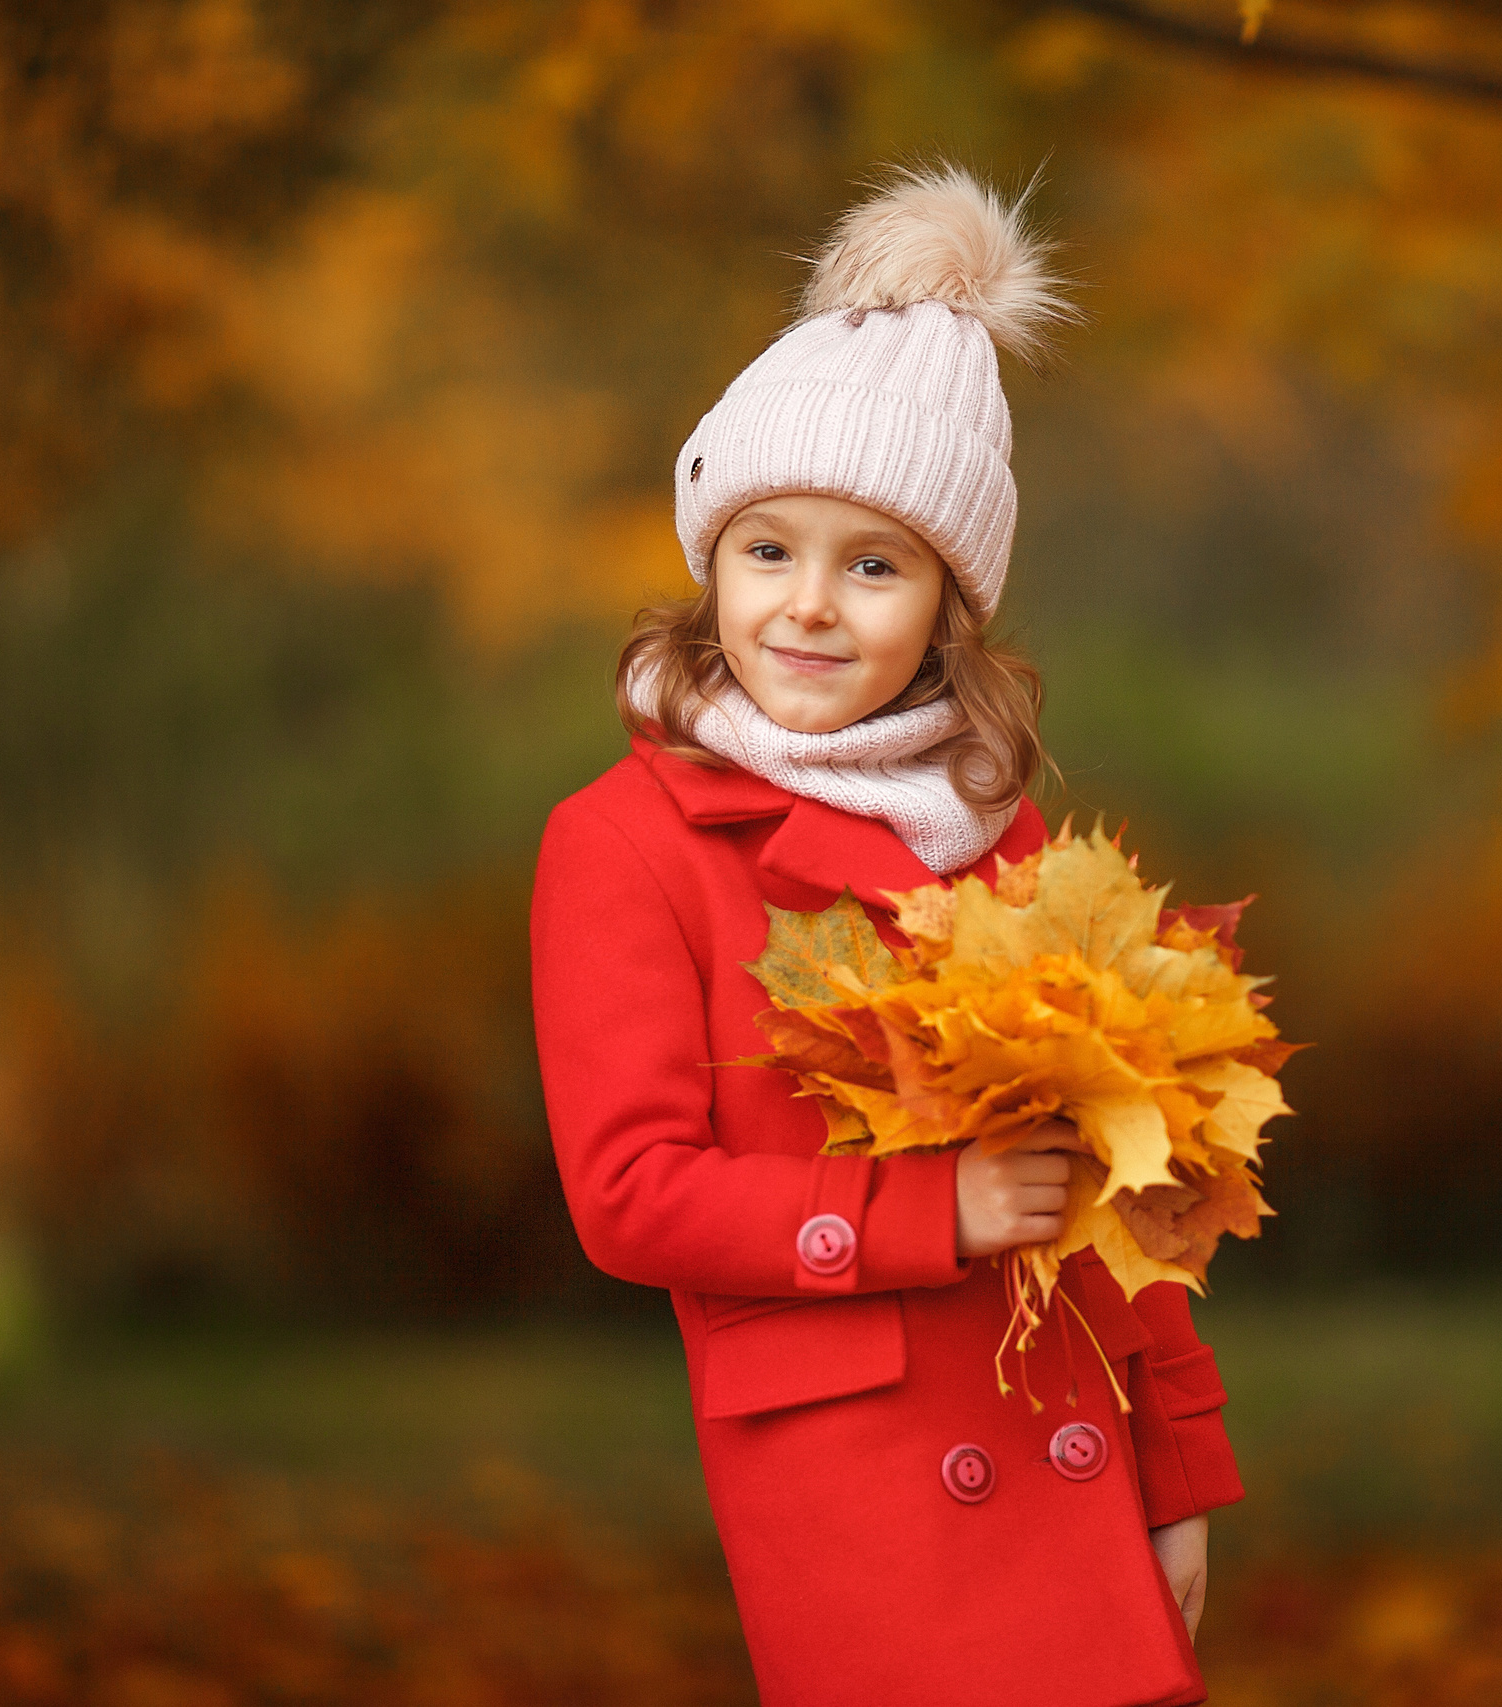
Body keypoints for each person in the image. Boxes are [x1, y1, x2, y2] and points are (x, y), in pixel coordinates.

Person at [528, 165, 1244, 1707]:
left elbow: (1123, 1184)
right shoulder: (625, 845)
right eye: (766, 548)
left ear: (946, 605)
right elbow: (631, 1195)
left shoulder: (998, 833)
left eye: (874, 563)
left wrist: (1176, 1461)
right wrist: (936, 1215)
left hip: (1065, 1443)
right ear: (708, 563)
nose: (808, 605)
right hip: (856, 1473)